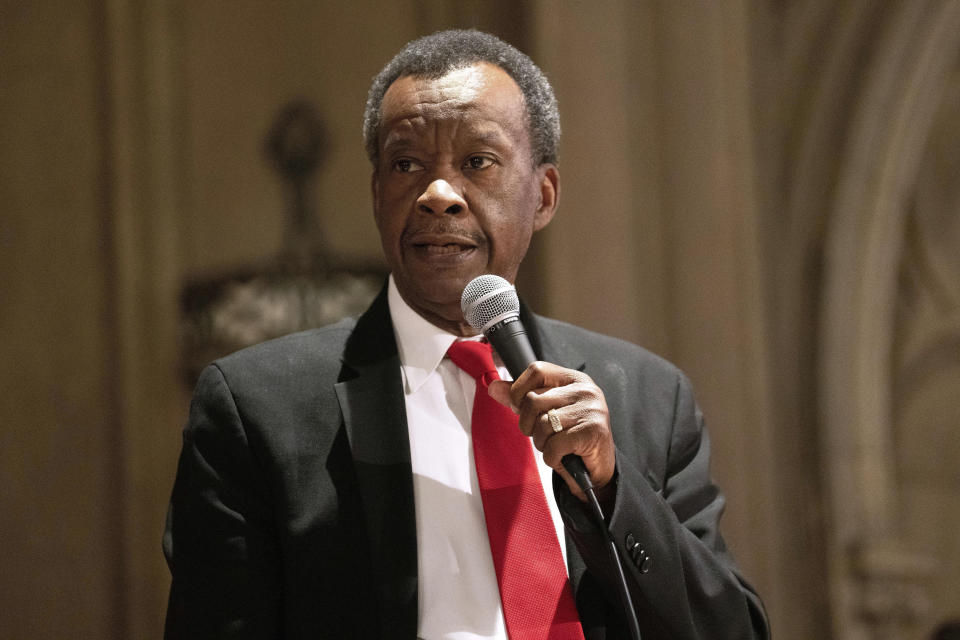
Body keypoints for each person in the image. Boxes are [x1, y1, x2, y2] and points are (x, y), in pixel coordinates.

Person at [163, 29, 769, 639]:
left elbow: (731, 630)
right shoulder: (258, 408)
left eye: (477, 162)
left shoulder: (648, 397)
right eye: (406, 165)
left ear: (544, 195)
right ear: (377, 194)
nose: (438, 194)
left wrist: (612, 490)